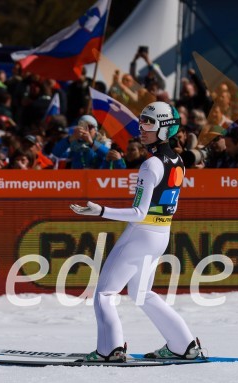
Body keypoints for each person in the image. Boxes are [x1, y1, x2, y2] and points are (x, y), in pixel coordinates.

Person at [70, 101, 202, 362]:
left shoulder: (150, 164)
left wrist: (100, 211)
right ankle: (183, 345)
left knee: (105, 294)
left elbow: (140, 213)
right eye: (141, 121)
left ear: (165, 128)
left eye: (149, 123)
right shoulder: (177, 161)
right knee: (142, 294)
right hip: (160, 235)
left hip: (141, 234)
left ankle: (109, 350)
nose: (142, 127)